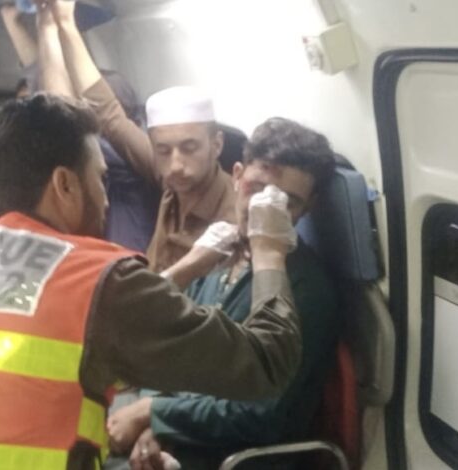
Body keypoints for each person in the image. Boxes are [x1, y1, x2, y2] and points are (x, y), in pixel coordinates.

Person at [0, 94, 304, 470]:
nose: (106, 199)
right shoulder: (99, 281)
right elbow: (267, 363)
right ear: (65, 185)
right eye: (101, 180)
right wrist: (268, 250)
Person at [106, 118, 341, 470]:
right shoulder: (216, 255)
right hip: (181, 434)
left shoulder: (307, 290)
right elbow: (171, 345)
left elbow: (260, 415)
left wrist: (154, 413)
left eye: (285, 203)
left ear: (308, 207)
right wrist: (154, 423)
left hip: (231, 454)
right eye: (256, 189)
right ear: (236, 176)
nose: (263, 209)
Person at [44, 0, 234, 271]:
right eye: (163, 151)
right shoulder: (171, 179)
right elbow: (109, 115)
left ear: (217, 144)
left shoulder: (233, 215)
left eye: (189, 148)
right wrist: (64, 23)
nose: (175, 165)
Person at [0, 1, 160, 252]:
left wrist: (54, 25)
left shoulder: (128, 163)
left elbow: (64, 119)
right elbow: (48, 92)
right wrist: (32, 22)